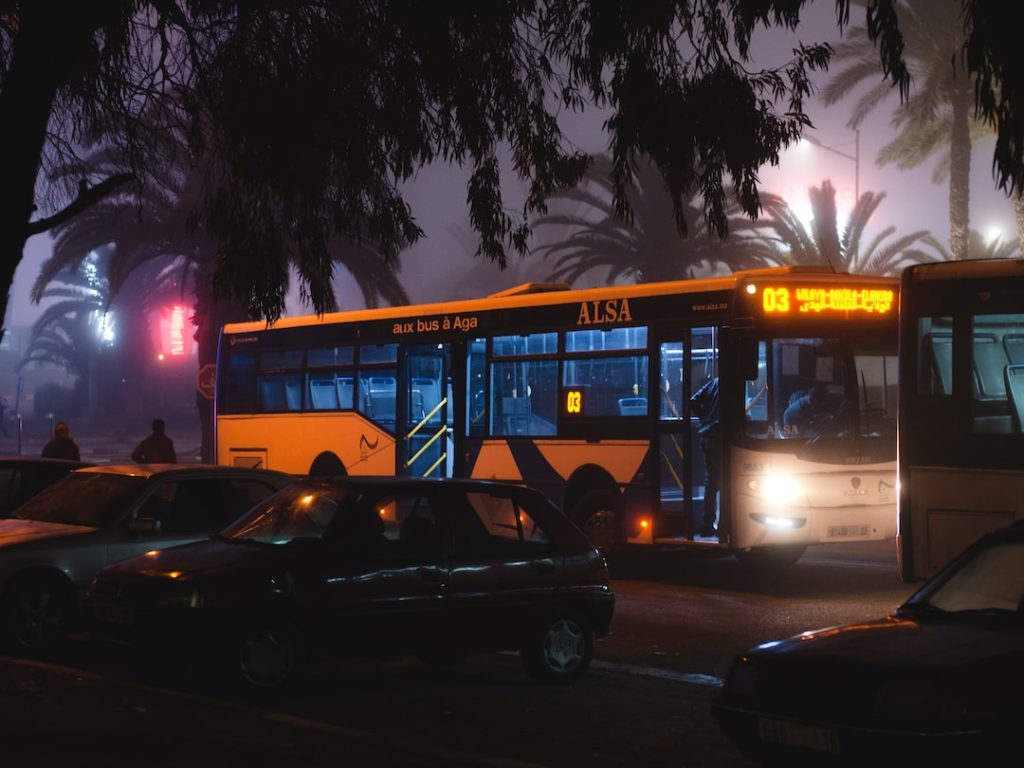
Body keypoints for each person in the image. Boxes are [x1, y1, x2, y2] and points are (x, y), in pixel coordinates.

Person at [689, 376, 720, 537]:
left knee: (712, 483)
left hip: (707, 437)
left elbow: (693, 401)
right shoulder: (732, 384)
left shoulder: (714, 382)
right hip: (720, 438)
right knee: (727, 483)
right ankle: (725, 525)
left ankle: (707, 525)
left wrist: (705, 418)